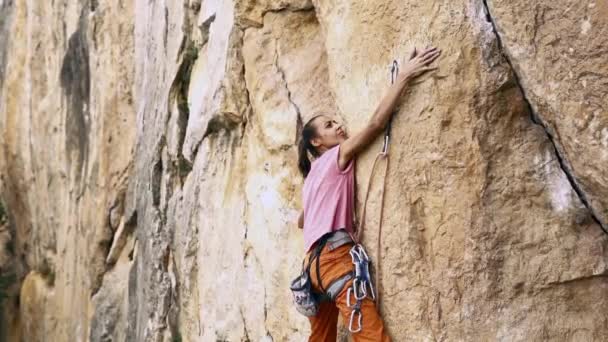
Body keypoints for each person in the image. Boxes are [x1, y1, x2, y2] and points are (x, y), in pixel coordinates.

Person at [295, 46, 441, 341]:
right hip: (335, 259)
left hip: (312, 268)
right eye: (329, 125)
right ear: (317, 141)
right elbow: (375, 124)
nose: (338, 126)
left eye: (336, 121)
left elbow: (301, 221)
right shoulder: (338, 154)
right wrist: (404, 77)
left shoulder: (311, 179)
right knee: (372, 337)